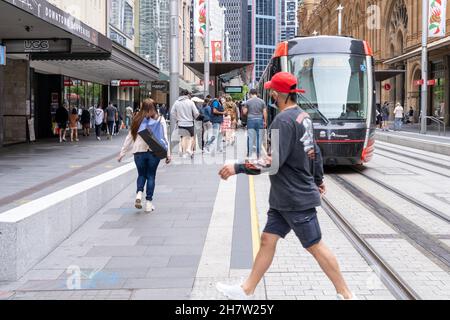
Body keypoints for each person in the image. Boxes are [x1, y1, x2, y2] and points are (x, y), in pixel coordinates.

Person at [215, 72, 356, 300]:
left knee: (315, 245)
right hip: (284, 198)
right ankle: (246, 290)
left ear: (277, 94)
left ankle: (347, 294)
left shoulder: (282, 120)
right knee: (267, 240)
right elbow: (315, 152)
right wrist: (318, 179)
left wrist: (237, 167)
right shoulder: (303, 117)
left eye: (272, 91)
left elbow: (273, 162)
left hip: (294, 197)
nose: (270, 94)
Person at [118, 99, 171, 213]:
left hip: (139, 152)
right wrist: (168, 154)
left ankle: (139, 194)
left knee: (141, 175)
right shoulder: (160, 119)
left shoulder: (137, 119)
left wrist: (122, 153)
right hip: (154, 152)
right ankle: (148, 203)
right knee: (151, 176)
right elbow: (165, 138)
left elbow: (129, 137)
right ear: (154, 107)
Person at [170, 90, 199, 158]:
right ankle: (188, 149)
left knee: (182, 137)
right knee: (191, 137)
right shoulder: (190, 102)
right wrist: (194, 117)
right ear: (187, 95)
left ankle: (181, 149)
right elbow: (196, 113)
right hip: (189, 123)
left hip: (180, 123)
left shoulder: (177, 102)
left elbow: (172, 112)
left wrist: (177, 118)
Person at [242, 89, 268, 159]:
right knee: (259, 138)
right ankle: (258, 155)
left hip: (251, 120)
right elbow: (265, 112)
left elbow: (244, 112)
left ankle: (249, 155)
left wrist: (244, 109)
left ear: (250, 94)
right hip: (260, 120)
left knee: (250, 138)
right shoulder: (262, 101)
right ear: (256, 93)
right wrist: (265, 121)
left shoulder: (248, 101)